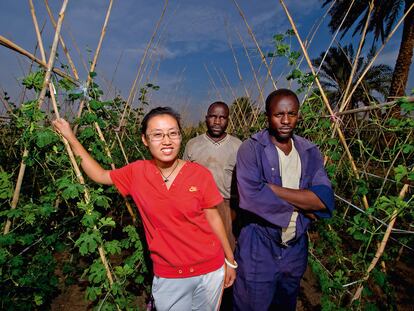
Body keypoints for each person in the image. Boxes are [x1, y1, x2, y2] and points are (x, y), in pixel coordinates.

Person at [52, 107, 236, 311]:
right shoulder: (137, 172)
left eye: (173, 133)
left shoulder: (200, 174)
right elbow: (100, 175)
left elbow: (214, 218)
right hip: (170, 274)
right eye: (157, 135)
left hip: (211, 268)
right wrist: (71, 137)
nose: (167, 140)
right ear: (145, 140)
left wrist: (230, 259)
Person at [232, 89, 335, 311]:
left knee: (285, 304)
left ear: (299, 115)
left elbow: (323, 199)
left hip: (294, 248)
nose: (286, 120)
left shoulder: (309, 151)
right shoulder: (251, 149)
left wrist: (271, 188)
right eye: (279, 114)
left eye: (292, 114)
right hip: (259, 245)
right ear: (268, 116)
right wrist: (304, 205)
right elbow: (250, 197)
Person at [183, 101, 242, 251]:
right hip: (199, 205)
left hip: (228, 206)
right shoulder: (193, 144)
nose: (217, 121)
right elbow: (183, 177)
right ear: (206, 118)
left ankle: (227, 273)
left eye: (222, 117)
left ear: (228, 120)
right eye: (213, 116)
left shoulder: (238, 146)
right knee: (199, 247)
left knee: (227, 247)